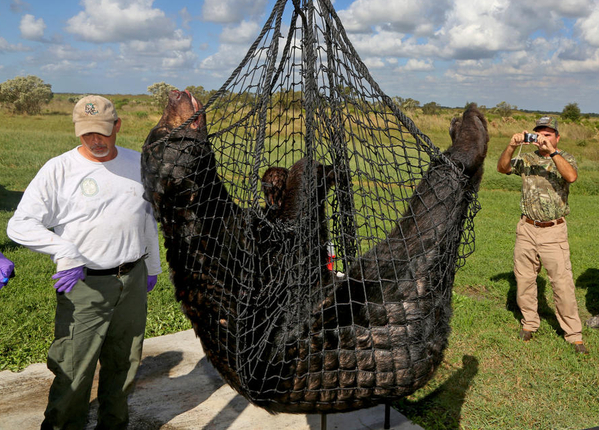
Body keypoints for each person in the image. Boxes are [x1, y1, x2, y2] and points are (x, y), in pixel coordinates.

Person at [6, 95, 162, 429]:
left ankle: (113, 424)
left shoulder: (138, 164)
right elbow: (19, 225)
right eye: (87, 133)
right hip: (85, 285)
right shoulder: (59, 170)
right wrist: (67, 252)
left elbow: (147, 218)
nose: (96, 140)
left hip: (132, 280)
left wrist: (154, 266)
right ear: (77, 131)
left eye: (103, 132)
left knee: (124, 363)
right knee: (74, 371)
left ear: (117, 126)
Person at [497, 116, 587, 354]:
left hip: (553, 231)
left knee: (562, 285)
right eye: (539, 134)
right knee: (525, 280)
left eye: (548, 134)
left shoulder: (565, 157)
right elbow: (502, 168)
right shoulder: (527, 158)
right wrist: (511, 145)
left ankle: (573, 335)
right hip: (526, 228)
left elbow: (571, 177)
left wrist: (553, 153)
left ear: (557, 137)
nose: (543, 138)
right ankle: (529, 324)